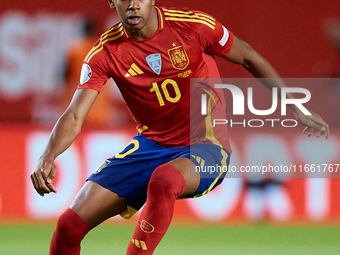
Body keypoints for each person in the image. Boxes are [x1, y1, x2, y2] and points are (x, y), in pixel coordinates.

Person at [30, 0, 330, 254]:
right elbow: (73, 115)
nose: (133, 4)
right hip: (149, 147)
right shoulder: (105, 53)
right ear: (111, 3)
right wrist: (47, 156)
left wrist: (295, 107)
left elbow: (249, 56)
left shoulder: (193, 26)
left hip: (207, 146)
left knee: (163, 181)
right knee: (68, 226)